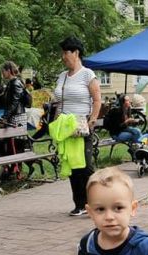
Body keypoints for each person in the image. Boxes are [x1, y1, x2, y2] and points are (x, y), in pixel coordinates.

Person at [55, 36, 102, 217]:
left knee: (86, 167)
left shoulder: (87, 74)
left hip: (82, 125)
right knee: (72, 166)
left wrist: (92, 121)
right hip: (66, 127)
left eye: (66, 52)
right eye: (63, 52)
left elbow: (97, 100)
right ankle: (80, 204)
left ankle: (97, 202)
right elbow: (59, 101)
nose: (63, 56)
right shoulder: (62, 76)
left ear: (76, 53)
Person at [0, 61, 28, 128]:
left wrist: (5, 117)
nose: (2, 73)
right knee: (8, 138)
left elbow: (14, 102)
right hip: (13, 115)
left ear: (9, 71)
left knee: (16, 138)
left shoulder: (15, 83)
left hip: (17, 117)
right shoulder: (11, 83)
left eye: (3, 71)